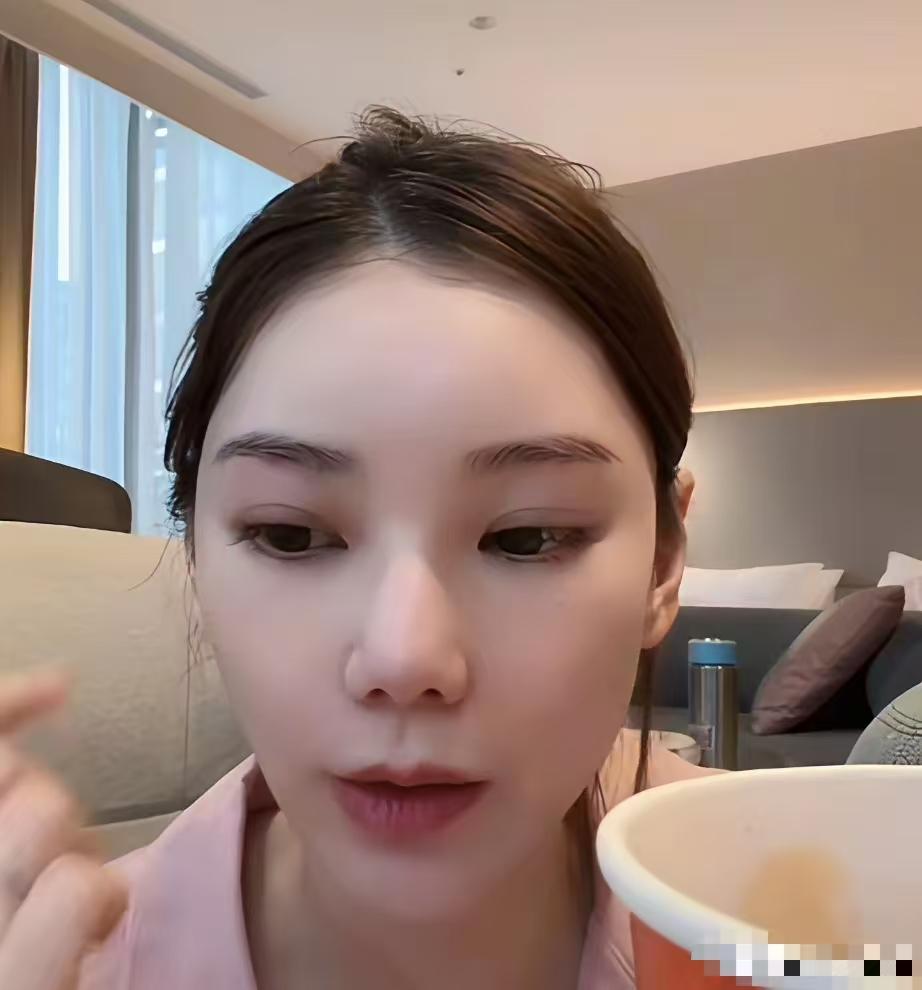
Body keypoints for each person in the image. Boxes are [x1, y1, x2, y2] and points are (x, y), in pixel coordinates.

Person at [0, 108, 713, 990]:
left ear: (664, 564)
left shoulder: (806, 917)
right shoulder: (74, 971)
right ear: (197, 562)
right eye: (290, 535)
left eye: (527, 538)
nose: (405, 659)